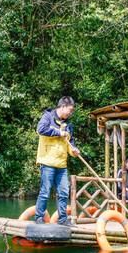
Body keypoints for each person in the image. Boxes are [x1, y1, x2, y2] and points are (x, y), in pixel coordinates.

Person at [34, 96, 80, 225]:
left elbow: (70, 143)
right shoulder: (48, 116)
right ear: (63, 106)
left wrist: (74, 151)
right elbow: (40, 130)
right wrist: (59, 133)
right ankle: (39, 218)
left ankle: (63, 219)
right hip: (47, 162)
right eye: (70, 110)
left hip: (61, 164)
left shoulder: (69, 125)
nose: (71, 113)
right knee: (45, 192)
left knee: (64, 192)